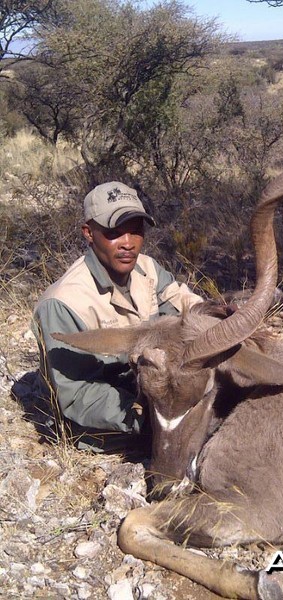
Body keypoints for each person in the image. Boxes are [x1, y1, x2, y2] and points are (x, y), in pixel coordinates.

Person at [33, 181, 203, 451]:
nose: (128, 244)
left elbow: (186, 307)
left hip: (155, 392)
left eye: (136, 231)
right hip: (108, 418)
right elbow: (77, 395)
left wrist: (219, 317)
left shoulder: (148, 269)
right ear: (89, 233)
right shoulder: (63, 304)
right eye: (114, 232)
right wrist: (148, 416)